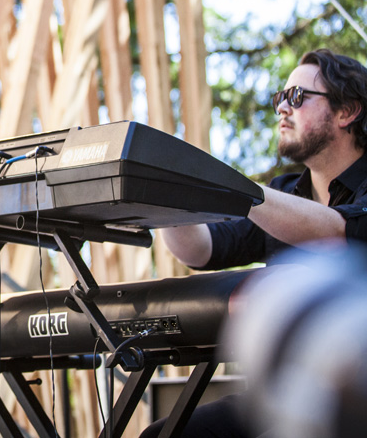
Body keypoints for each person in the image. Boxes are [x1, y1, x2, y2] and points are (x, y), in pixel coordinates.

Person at [142, 48, 367, 437]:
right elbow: (202, 249)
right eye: (280, 98)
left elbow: (338, 230)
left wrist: (246, 195)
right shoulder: (283, 194)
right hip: (284, 394)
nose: (282, 108)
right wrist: (164, 198)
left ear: (347, 111)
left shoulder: (275, 201)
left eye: (297, 96)